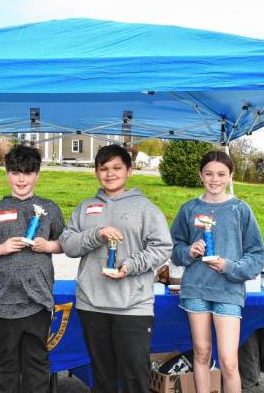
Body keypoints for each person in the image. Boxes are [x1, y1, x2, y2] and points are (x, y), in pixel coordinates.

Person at [60, 144, 173, 393]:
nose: (110, 173)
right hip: (91, 304)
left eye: (116, 168)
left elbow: (163, 248)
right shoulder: (85, 207)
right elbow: (67, 245)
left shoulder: (146, 209)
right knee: (102, 379)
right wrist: (96, 234)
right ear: (96, 172)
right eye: (104, 168)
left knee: (135, 378)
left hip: (133, 307)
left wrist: (130, 266)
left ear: (129, 171)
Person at [170, 150, 264, 393]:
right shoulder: (189, 209)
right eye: (209, 173)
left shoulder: (240, 210)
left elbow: (256, 255)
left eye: (221, 174)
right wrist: (189, 251)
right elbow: (173, 247)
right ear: (200, 175)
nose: (215, 179)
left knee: (229, 361)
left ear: (231, 175)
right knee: (201, 353)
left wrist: (229, 267)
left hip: (228, 291)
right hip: (196, 290)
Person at [0, 145, 65, 393]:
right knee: (6, 364)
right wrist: (1, 248)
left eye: (27, 172)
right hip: (4, 302)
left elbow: (64, 244)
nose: (21, 179)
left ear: (37, 174)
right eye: (15, 173)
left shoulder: (50, 209)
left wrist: (48, 245)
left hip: (39, 301)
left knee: (37, 364)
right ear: (7, 174)